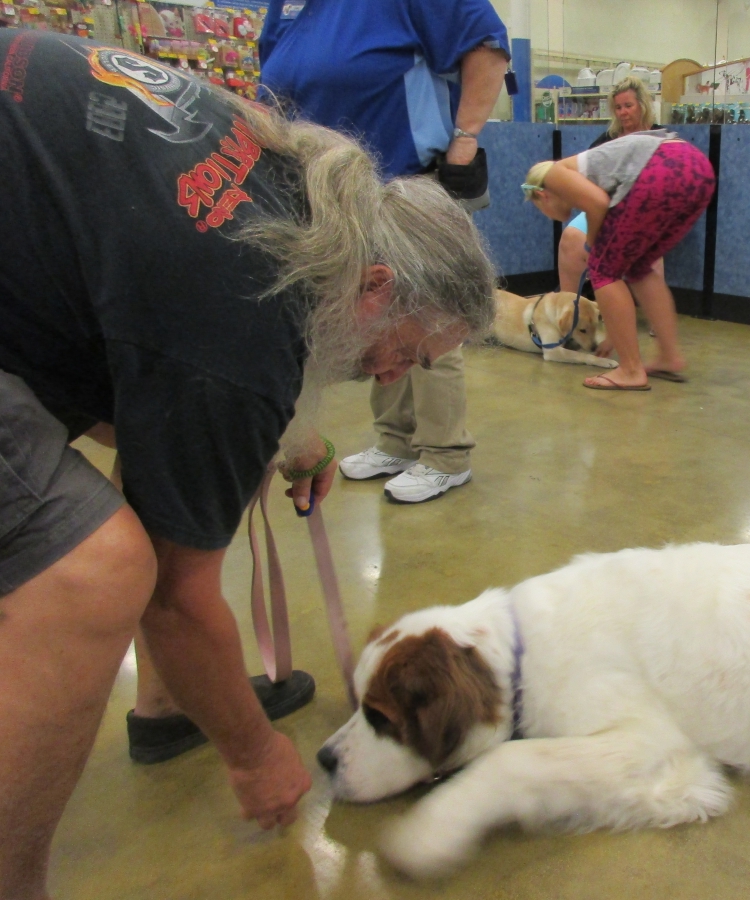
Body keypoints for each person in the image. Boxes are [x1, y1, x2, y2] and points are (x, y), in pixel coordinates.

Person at [0, 30, 495, 899]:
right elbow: (176, 599)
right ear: (376, 287)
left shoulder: (297, 182)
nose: (393, 377)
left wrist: (277, 435)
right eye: (409, 352)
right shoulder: (243, 323)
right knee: (94, 570)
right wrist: (255, 753)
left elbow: (144, 367)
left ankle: (167, 706)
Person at [257, 0, 510, 504]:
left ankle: (445, 453)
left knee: (429, 320)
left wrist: (463, 143)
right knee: (371, 321)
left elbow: (488, 44)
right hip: (331, 200)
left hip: (404, 179)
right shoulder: (285, 6)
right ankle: (395, 440)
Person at [523, 129, 715, 391]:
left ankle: (631, 370)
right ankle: (669, 357)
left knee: (603, 269)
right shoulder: (583, 170)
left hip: (662, 169)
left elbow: (598, 203)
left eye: (541, 209)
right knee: (639, 267)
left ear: (542, 195)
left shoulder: (554, 175)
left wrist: (593, 242)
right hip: (698, 169)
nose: (548, 215)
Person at [558, 76, 662, 293]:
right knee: (570, 237)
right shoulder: (607, 139)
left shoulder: (660, 137)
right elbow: (587, 173)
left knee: (645, 246)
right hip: (605, 207)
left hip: (644, 210)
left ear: (642, 105)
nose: (623, 112)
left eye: (628, 106)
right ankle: (569, 305)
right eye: (618, 107)